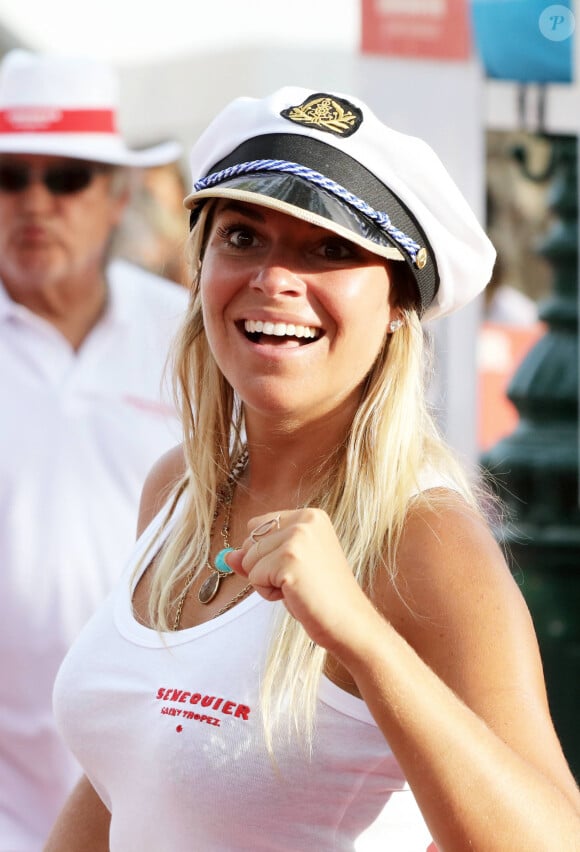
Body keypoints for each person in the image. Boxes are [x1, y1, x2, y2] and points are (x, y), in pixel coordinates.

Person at [47, 88, 580, 850]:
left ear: (398, 302)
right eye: (242, 237)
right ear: (200, 267)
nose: (273, 278)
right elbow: (125, 780)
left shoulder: (423, 538)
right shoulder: (178, 490)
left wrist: (360, 635)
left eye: (330, 249)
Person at [0, 49, 189, 850]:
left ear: (116, 199)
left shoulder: (190, 335)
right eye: (10, 178)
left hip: (151, 748)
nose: (35, 203)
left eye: (66, 178)